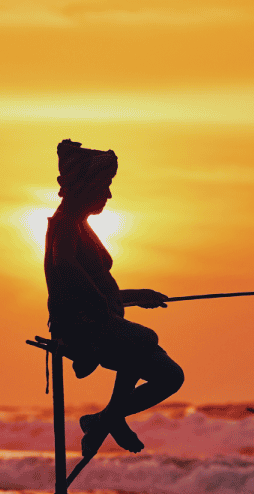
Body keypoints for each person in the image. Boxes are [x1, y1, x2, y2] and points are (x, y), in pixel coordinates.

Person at [44, 139, 184, 456]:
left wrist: (136, 295)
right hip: (82, 329)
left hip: (103, 322)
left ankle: (106, 418)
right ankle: (113, 419)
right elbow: (65, 268)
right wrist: (102, 304)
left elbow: (96, 288)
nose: (107, 195)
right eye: (103, 186)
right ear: (84, 186)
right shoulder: (64, 224)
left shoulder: (80, 225)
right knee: (145, 338)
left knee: (171, 377)